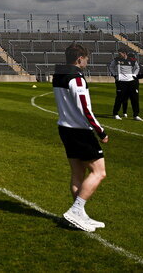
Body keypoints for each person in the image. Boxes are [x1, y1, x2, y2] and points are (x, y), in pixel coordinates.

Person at [53, 43, 108, 233]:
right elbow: (85, 108)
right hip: (80, 131)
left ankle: (79, 214)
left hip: (65, 128)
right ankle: (76, 210)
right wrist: (101, 131)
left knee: (77, 173)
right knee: (99, 172)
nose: (87, 61)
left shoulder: (58, 75)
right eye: (86, 58)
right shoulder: (76, 78)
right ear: (79, 59)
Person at [108, 47, 142, 120]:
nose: (119, 54)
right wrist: (115, 75)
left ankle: (136, 115)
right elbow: (111, 67)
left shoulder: (132, 60)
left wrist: (134, 75)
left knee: (134, 98)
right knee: (119, 98)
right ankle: (115, 114)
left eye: (120, 53)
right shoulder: (116, 60)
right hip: (121, 81)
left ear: (124, 53)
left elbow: (137, 67)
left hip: (131, 81)